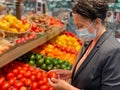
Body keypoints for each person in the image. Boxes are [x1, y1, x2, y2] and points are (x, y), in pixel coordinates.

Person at [48, 0, 120, 90]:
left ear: (97, 23)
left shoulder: (113, 50)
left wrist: (67, 88)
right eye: (76, 26)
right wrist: (72, 73)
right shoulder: (90, 40)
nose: (78, 31)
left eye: (80, 26)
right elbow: (94, 73)